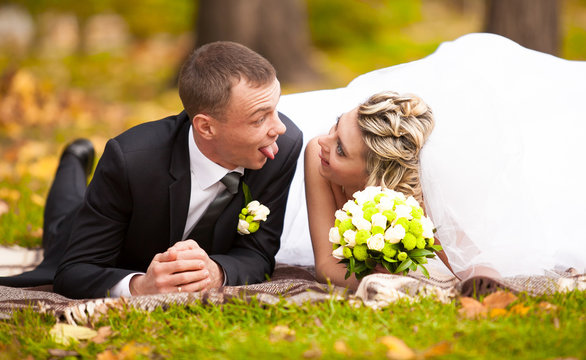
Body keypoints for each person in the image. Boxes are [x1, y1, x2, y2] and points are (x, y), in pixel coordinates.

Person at [275, 32, 586, 291]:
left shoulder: (417, 188)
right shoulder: (318, 152)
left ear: (375, 174)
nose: (324, 142)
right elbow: (327, 267)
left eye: (341, 149)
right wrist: (392, 280)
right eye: (336, 124)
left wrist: (479, 286)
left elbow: (468, 259)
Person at [0, 41, 303, 299]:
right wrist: (141, 285)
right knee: (61, 225)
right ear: (206, 127)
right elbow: (75, 270)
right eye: (259, 118)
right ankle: (73, 161)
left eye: (275, 109)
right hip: (116, 241)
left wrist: (218, 272)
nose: (278, 127)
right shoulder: (131, 160)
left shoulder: (282, 146)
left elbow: (257, 253)